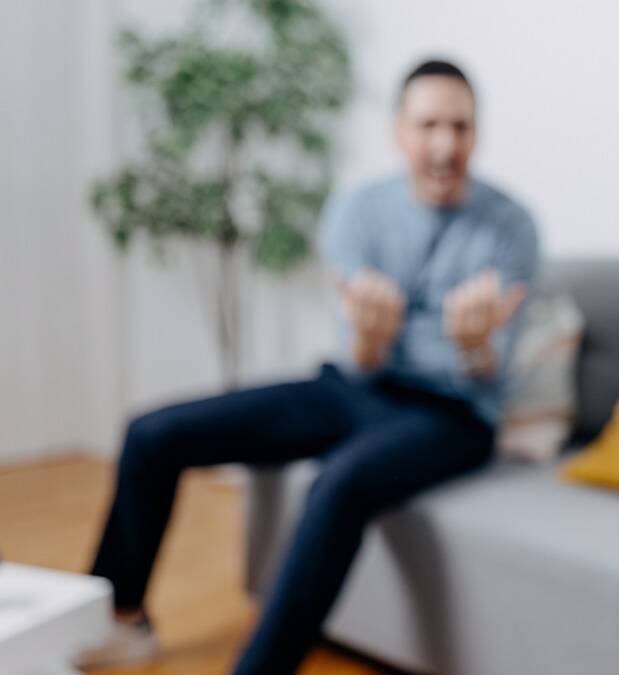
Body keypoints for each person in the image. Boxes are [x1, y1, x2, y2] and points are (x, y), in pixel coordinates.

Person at [78, 60, 539, 673]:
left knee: (338, 482)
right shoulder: (356, 211)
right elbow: (360, 356)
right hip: (353, 385)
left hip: (454, 415)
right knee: (151, 432)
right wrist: (388, 342)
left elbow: (486, 374)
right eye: (429, 124)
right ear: (398, 130)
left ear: (476, 134)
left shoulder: (513, 226)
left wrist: (468, 347)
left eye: (460, 127)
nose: (445, 144)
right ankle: (122, 618)